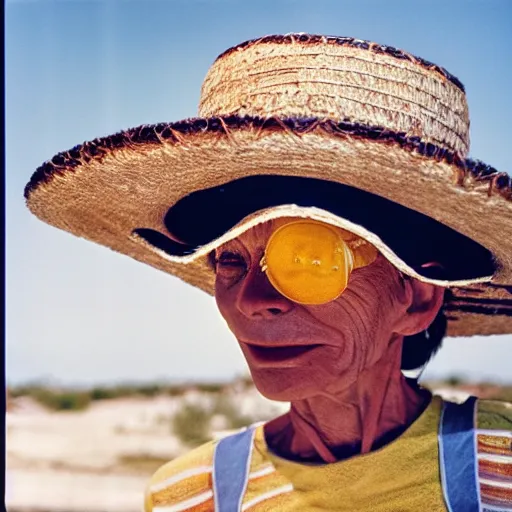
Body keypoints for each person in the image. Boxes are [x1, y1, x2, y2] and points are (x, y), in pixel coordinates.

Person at [24, 34, 512, 511]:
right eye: (230, 259)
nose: (250, 301)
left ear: (416, 298)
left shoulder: (501, 462)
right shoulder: (192, 496)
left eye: (308, 259)